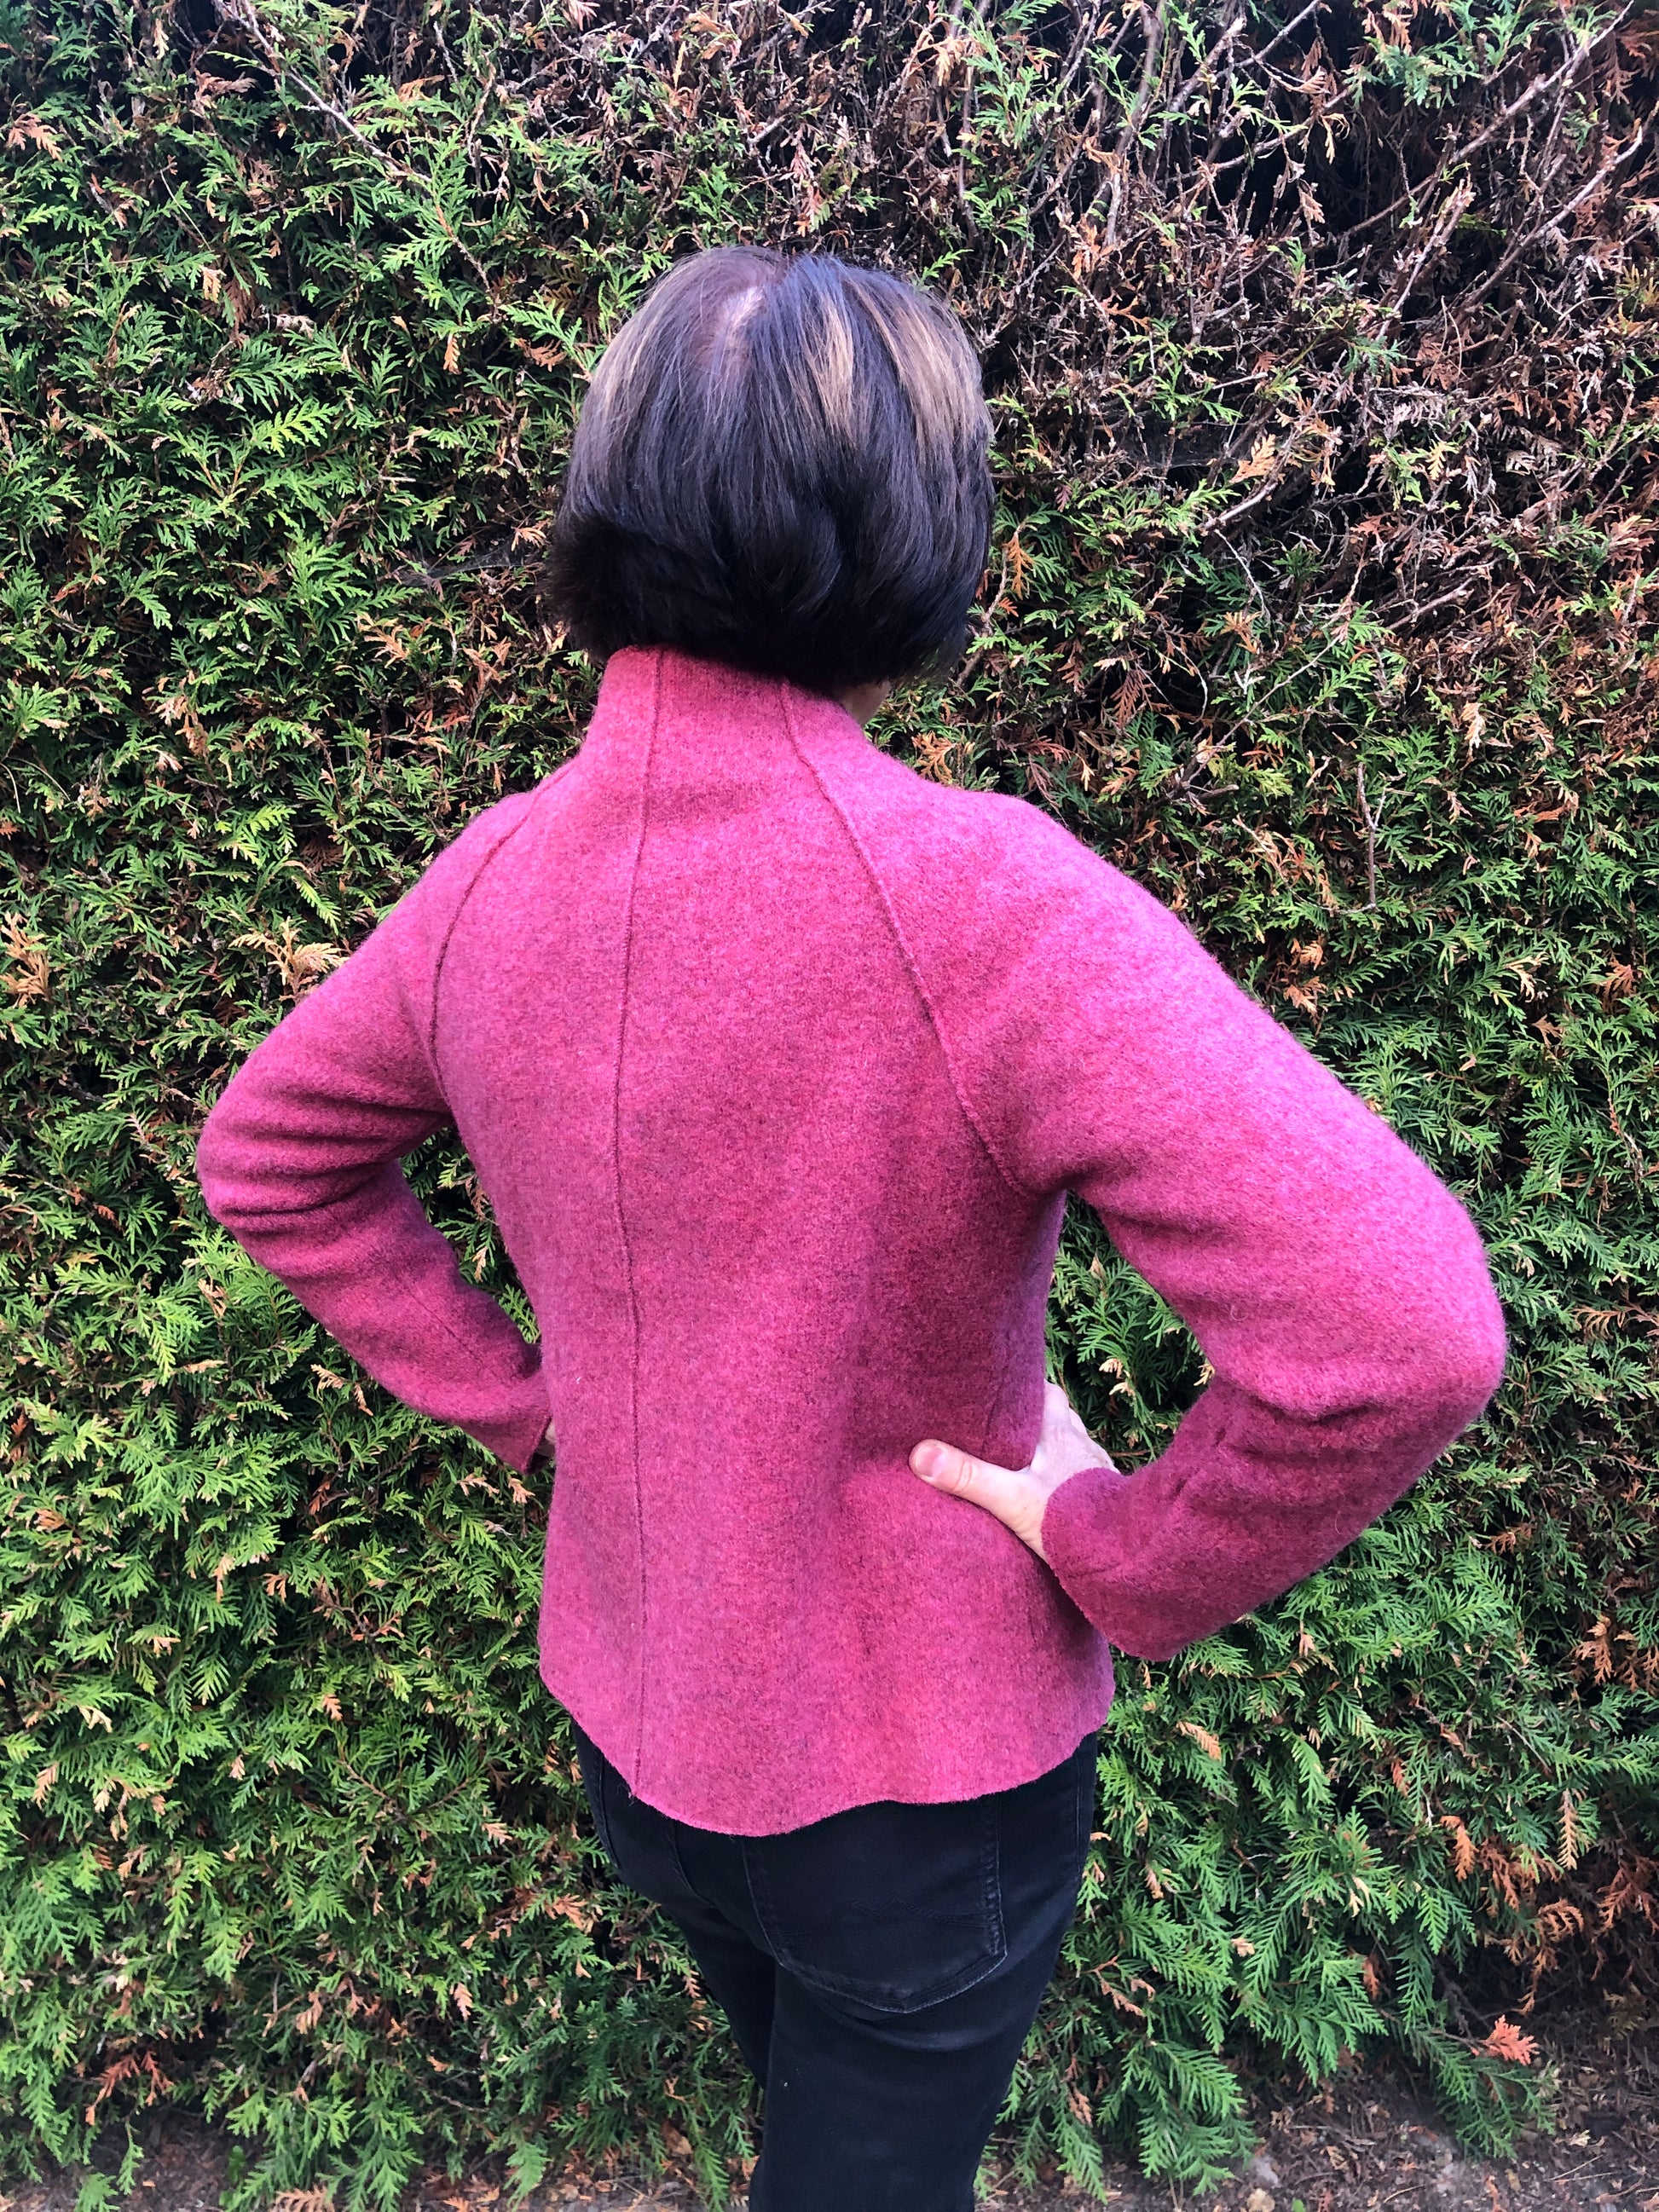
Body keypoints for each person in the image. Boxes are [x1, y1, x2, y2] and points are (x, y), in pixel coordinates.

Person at [194, 246, 1507, 2212]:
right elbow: (1400, 1324)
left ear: (609, 502)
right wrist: (1119, 1548)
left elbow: (265, 1153)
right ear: (915, 535)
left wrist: (528, 1401)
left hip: (639, 1743)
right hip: (917, 1774)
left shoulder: (490, 882)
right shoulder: (976, 901)